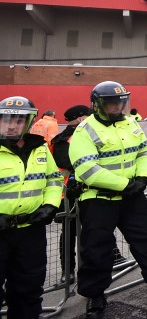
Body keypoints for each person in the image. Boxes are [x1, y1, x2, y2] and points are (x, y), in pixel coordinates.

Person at [70, 81, 147, 319]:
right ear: (97, 105)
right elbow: (87, 169)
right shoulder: (84, 131)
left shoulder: (130, 123)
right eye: (111, 102)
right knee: (97, 249)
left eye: (120, 101)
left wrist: (143, 177)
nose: (117, 106)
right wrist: (125, 185)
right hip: (99, 198)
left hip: (132, 195)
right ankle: (95, 296)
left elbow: (144, 152)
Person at [0, 96, 63, 319]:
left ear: (27, 123)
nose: (12, 125)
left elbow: (54, 180)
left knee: (29, 277)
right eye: (6, 120)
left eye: (18, 120)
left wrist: (49, 205)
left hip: (30, 227)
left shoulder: (39, 149)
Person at [49, 104, 93, 284]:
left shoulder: (88, 135)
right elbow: (67, 163)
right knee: (68, 234)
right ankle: (68, 271)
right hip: (70, 196)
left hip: (89, 192)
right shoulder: (63, 140)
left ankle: (111, 259)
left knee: (93, 231)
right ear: (81, 118)